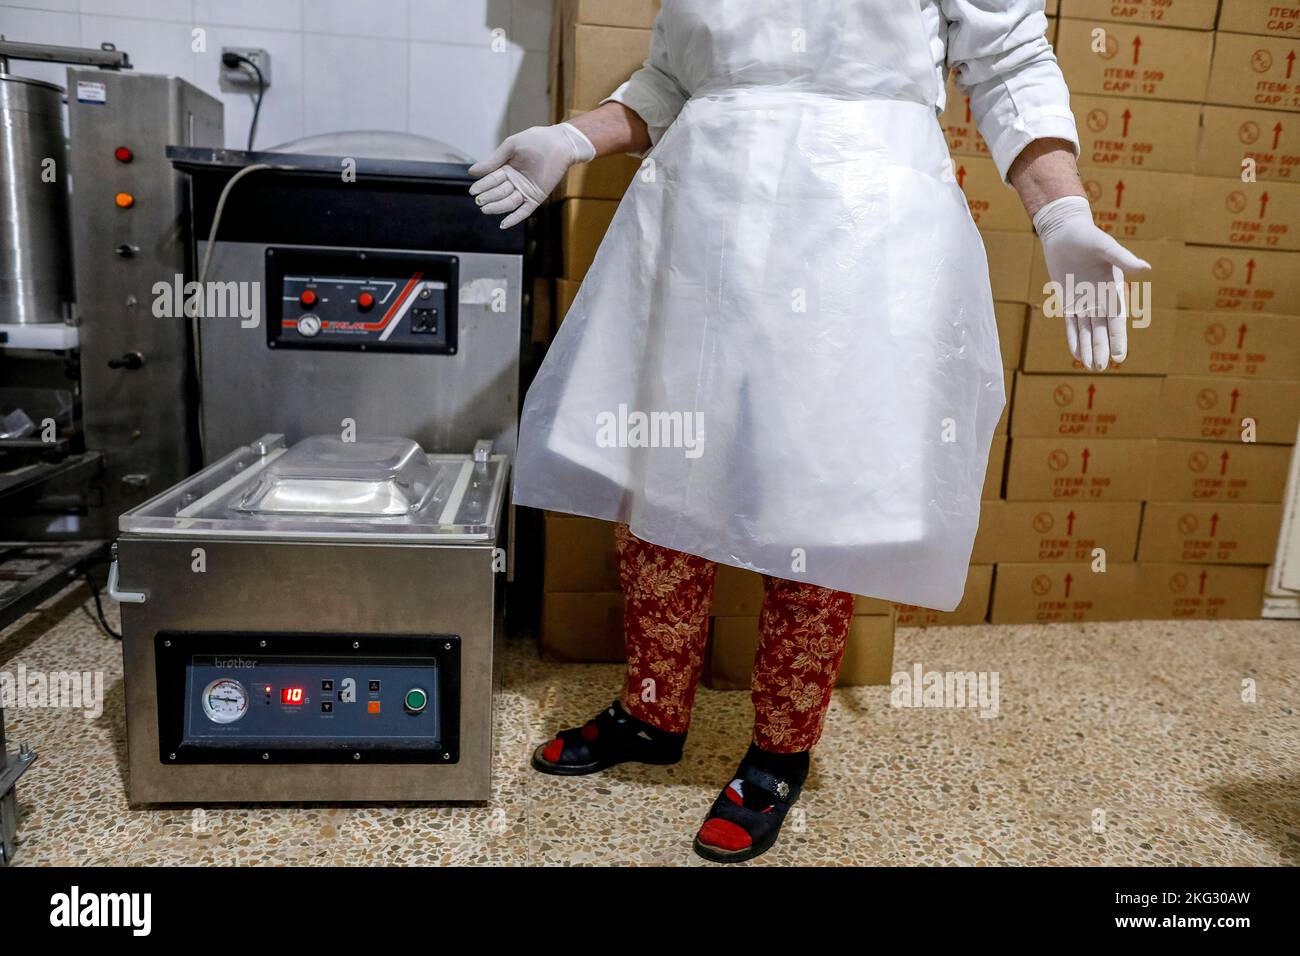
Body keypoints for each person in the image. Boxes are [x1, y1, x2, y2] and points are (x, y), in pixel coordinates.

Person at [469, 0, 1148, 862]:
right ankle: (650, 711)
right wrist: (574, 138)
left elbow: (1008, 61)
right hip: (702, 217)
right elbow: (673, 81)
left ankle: (777, 755)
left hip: (858, 222)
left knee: (820, 501)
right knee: (661, 481)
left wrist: (1061, 212)